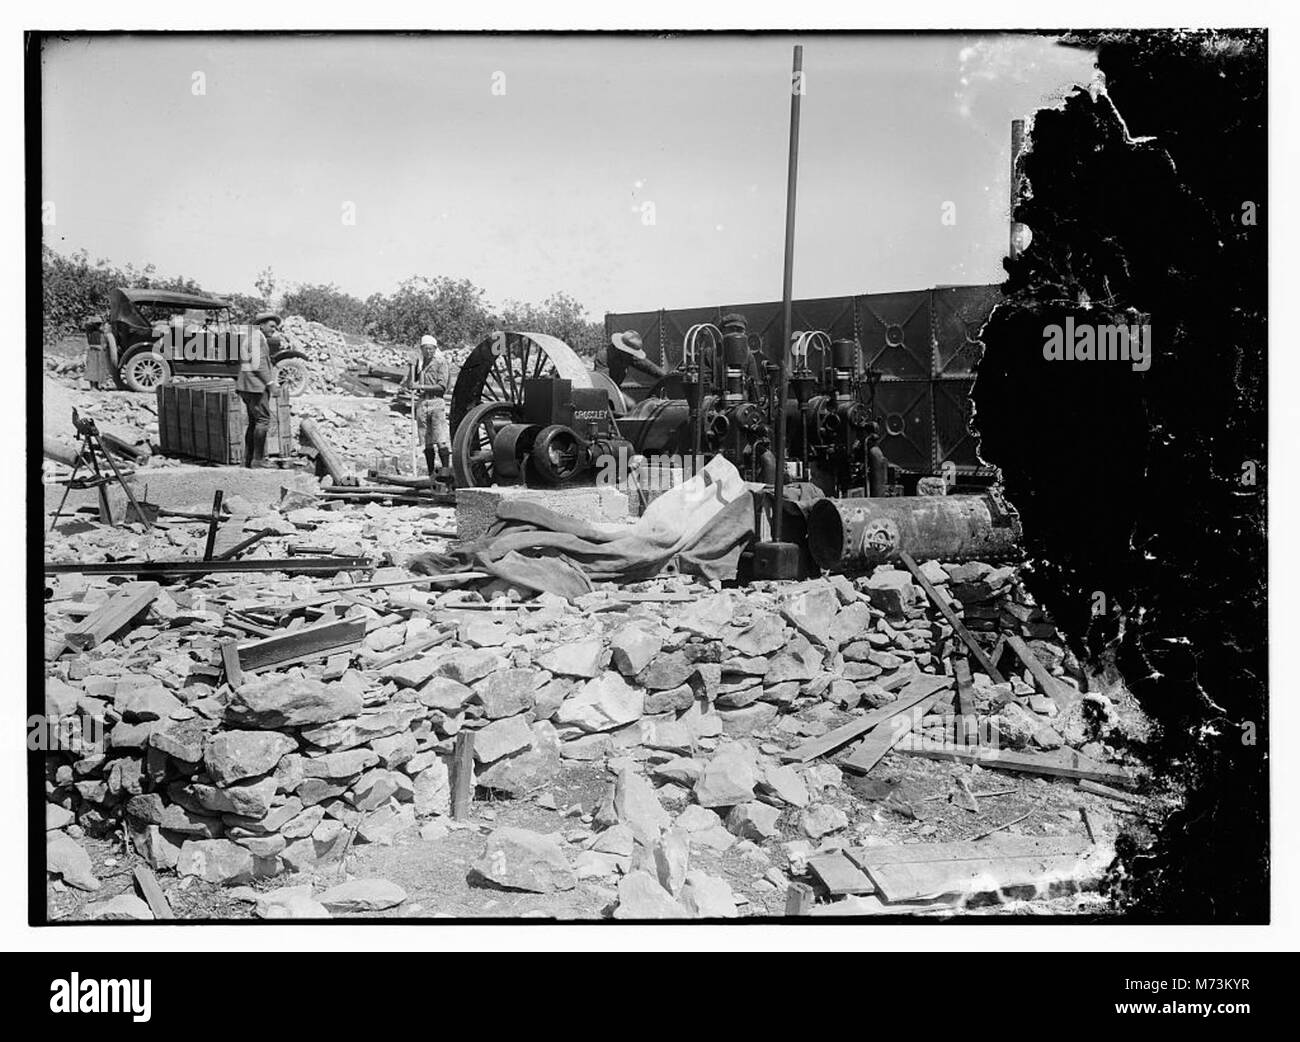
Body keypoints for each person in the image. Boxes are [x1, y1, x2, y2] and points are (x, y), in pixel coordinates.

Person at [237, 311, 281, 467]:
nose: (273, 329)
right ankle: (258, 460)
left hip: (247, 386)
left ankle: (247, 460)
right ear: (261, 325)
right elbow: (259, 363)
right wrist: (270, 383)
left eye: (275, 327)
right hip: (255, 387)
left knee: (254, 422)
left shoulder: (254, 337)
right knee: (262, 421)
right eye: (271, 326)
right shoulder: (256, 339)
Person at [407, 334, 452, 474]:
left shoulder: (440, 363)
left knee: (440, 438)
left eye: (431, 349)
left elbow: (441, 387)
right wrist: (411, 366)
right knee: (426, 440)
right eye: (426, 349)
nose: (428, 352)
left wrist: (421, 387)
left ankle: (445, 472)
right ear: (421, 349)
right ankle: (431, 473)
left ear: (435, 349)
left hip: (436, 403)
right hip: (422, 403)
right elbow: (410, 384)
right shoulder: (420, 364)